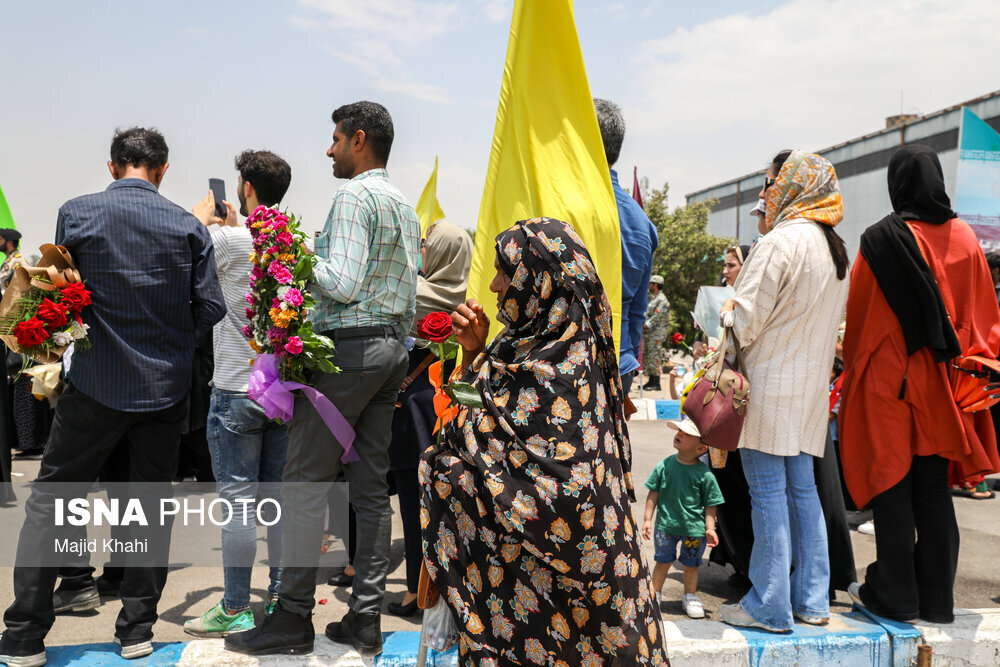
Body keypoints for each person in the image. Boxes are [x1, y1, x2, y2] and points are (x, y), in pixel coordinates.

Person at [0, 127, 226, 665]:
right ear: (163, 170)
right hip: (163, 391)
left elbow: (62, 285)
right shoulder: (188, 225)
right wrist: (168, 336)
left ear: (112, 166)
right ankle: (136, 632)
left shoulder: (76, 213)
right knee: (146, 509)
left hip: (95, 384)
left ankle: (25, 636)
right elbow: (210, 307)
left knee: (52, 503)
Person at [423, 217, 668, 665]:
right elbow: (475, 421)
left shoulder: (559, 369)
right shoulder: (519, 350)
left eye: (505, 272)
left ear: (537, 282)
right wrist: (475, 353)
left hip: (583, 601)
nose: (495, 286)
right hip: (541, 599)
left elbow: (546, 488)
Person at [226, 101, 419, 658]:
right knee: (370, 489)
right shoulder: (403, 204)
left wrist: (290, 250)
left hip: (350, 353)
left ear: (358, 140)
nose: (327, 149)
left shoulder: (353, 196)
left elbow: (340, 280)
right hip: (389, 353)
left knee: (303, 484)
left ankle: (290, 617)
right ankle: (364, 619)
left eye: (334, 139)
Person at [840, 144, 1000, 624]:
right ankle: (937, 599)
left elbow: (862, 318)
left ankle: (895, 593)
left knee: (892, 483)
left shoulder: (879, 239)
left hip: (891, 383)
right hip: (948, 386)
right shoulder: (967, 239)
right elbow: (983, 318)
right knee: (932, 487)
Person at [718, 150, 850, 633]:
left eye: (774, 182)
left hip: (769, 389)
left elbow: (746, 321)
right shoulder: (835, 249)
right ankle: (811, 600)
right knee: (803, 492)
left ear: (793, 186)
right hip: (810, 391)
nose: (769, 191)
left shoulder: (778, 242)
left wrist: (726, 312)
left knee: (768, 493)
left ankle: (769, 605)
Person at [183, 149, 292, 637]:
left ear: (245, 188)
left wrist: (201, 216)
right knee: (278, 501)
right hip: (283, 391)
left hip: (235, 387)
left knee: (239, 505)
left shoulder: (227, 239)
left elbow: (178, 245)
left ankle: (233, 605)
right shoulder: (293, 243)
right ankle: (282, 596)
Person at [384, 218, 472, 618]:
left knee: (411, 502)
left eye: (427, 244)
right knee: (440, 506)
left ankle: (416, 592)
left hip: (414, 407)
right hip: (447, 407)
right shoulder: (466, 302)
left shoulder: (409, 292)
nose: (421, 250)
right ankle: (445, 586)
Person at [594, 98, 658, 395]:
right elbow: (636, 313)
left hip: (576, 369)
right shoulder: (643, 223)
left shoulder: (571, 208)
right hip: (621, 363)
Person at [642, 419, 724, 619]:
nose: (679, 434)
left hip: (694, 531)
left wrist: (710, 528)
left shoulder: (705, 475)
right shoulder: (665, 465)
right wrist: (647, 520)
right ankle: (654, 595)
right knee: (662, 562)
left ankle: (690, 596)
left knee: (691, 564)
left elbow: (710, 504)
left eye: (687, 434)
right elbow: (653, 493)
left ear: (701, 448)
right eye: (679, 430)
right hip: (665, 527)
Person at [642, 276, 670, 391]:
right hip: (650, 333)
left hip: (657, 333)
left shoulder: (662, 300)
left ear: (656, 285)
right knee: (649, 356)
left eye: (651, 283)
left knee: (655, 357)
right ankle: (651, 381)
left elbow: (657, 316)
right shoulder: (653, 298)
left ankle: (657, 383)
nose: (649, 285)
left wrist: (646, 325)